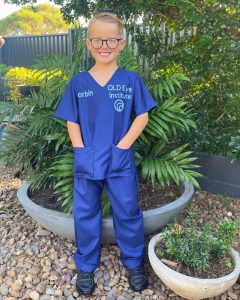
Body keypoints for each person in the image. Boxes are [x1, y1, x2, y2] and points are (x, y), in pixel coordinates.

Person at [53, 9, 157, 296]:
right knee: (85, 213)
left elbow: (142, 116)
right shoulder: (78, 83)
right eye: (98, 40)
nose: (104, 46)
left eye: (111, 40)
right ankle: (86, 266)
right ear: (88, 43)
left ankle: (134, 262)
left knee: (128, 212)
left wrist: (123, 145)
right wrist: (80, 150)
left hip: (120, 160)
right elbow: (71, 120)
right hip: (87, 160)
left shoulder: (131, 80)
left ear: (121, 43)